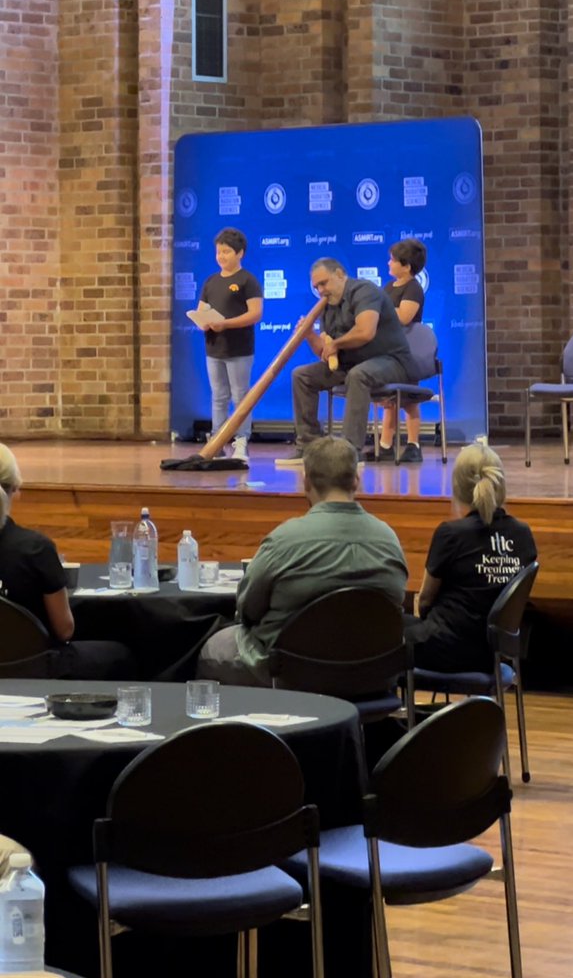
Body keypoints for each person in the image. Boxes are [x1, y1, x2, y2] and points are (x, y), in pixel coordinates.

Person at [198, 436, 408, 685]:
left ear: (306, 482)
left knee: (213, 648)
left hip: (290, 673)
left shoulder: (284, 541)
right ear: (356, 480)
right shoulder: (390, 541)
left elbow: (248, 609)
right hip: (372, 672)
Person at [0, 443, 137, 679]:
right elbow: (64, 630)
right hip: (35, 666)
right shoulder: (35, 548)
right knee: (121, 653)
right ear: (15, 488)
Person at [405, 442, 537, 672]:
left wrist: (423, 616)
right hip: (496, 653)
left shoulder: (451, 534)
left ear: (457, 487)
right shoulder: (523, 534)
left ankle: (384, 706)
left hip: (447, 649)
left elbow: (425, 600)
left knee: (382, 630)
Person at [280, 258, 417, 465]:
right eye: (316, 286)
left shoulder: (364, 291)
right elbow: (326, 353)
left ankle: (349, 451)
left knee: (358, 374)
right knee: (302, 375)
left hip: (391, 360)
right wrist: (309, 334)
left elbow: (365, 332)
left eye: (324, 283)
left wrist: (336, 344)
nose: (321, 290)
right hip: (351, 363)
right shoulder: (328, 304)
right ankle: (308, 446)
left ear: (340, 275)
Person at [198, 227, 263, 464]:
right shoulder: (211, 281)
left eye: (226, 252)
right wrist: (203, 323)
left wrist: (226, 324)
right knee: (218, 396)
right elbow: (201, 310)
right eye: (218, 252)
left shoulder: (248, 280)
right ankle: (217, 440)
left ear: (240, 253)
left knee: (240, 395)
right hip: (213, 348)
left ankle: (241, 441)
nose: (221, 256)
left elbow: (255, 314)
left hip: (239, 349)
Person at [366, 237, 427, 464]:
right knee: (389, 400)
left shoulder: (414, 288)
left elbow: (404, 316)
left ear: (407, 266)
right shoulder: (389, 287)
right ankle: (385, 445)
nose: (388, 263)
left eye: (393, 260)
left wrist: (382, 309)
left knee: (409, 399)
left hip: (408, 351)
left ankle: (413, 445)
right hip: (388, 349)